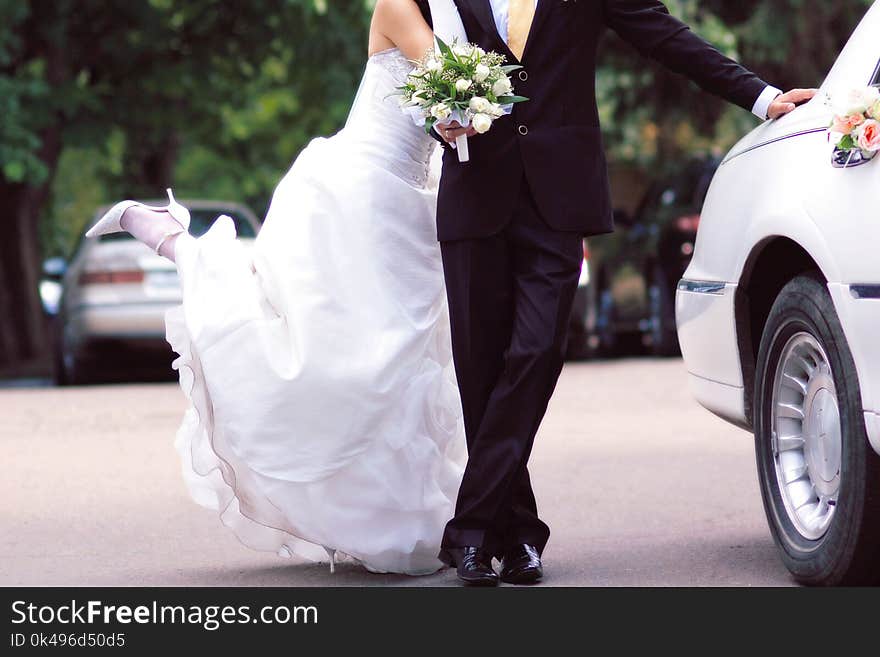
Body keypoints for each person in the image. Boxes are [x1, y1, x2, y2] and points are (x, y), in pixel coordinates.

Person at [430, 0, 815, 586]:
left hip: (558, 198)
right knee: (480, 372)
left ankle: (471, 527)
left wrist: (762, 98)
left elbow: (666, 38)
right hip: (473, 195)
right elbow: (408, 73)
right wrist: (432, 116)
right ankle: (514, 533)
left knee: (534, 355)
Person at [85, 0, 466, 576]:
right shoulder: (398, 7)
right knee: (338, 361)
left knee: (401, 367)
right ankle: (176, 243)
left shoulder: (466, 19)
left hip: (412, 205)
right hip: (358, 193)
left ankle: (396, 522)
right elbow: (447, 77)